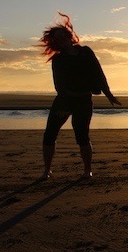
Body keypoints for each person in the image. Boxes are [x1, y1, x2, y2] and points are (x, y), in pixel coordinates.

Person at [39, 12, 121, 180]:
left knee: (82, 136)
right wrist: (63, 105)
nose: (60, 39)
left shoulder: (86, 52)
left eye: (63, 35)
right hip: (65, 99)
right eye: (57, 38)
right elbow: (58, 84)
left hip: (84, 100)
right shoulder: (58, 59)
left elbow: (99, 74)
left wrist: (109, 95)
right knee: (49, 135)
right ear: (55, 42)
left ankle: (87, 170)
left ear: (69, 36)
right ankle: (47, 170)